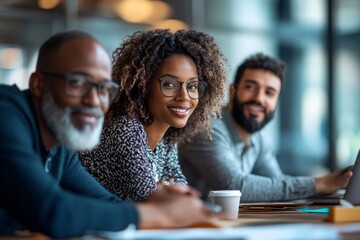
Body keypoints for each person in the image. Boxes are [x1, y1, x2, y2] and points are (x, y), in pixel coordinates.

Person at [0, 30, 219, 238]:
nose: (94, 100)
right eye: (77, 83)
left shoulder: (60, 145)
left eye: (103, 88)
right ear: (38, 84)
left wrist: (165, 203)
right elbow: (53, 211)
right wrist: (160, 213)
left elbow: (109, 202)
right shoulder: (6, 113)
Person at [178, 53, 353, 202]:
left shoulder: (257, 139)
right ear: (232, 92)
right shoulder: (207, 126)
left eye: (269, 93)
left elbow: (277, 184)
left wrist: (335, 191)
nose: (259, 99)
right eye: (250, 87)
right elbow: (235, 186)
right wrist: (318, 184)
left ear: (276, 102)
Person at [79, 29, 227, 201]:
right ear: (143, 85)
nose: (184, 96)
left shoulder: (167, 140)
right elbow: (157, 203)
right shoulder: (126, 130)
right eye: (170, 84)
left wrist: (162, 187)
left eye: (192, 86)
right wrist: (162, 189)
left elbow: (184, 197)